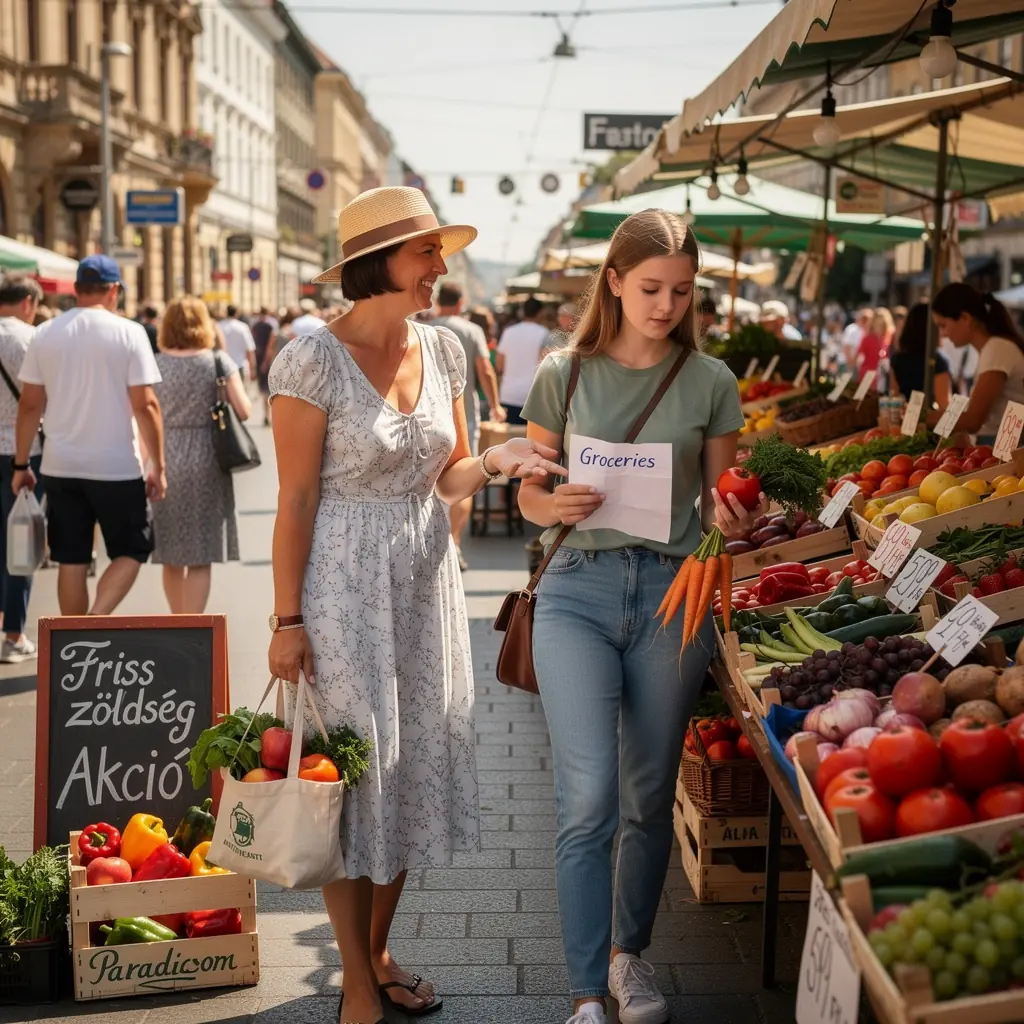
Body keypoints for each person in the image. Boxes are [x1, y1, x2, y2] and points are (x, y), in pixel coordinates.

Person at [266, 186, 565, 1024]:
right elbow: (292, 500)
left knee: (410, 772)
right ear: (379, 264)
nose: (440, 266)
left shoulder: (439, 349)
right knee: (354, 777)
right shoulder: (308, 359)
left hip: (425, 577)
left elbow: (452, 472)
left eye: (439, 252)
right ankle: (357, 983)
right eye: (425, 252)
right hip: (339, 585)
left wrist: (500, 460)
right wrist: (286, 621)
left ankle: (380, 950)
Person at [518, 209, 764, 1024]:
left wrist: (733, 520)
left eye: (682, 292)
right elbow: (526, 494)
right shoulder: (563, 372)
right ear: (614, 282)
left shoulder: (712, 381)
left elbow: (726, 504)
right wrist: (552, 497)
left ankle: (630, 959)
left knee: (649, 793)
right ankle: (587, 991)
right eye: (651, 288)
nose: (665, 305)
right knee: (586, 797)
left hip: (674, 597)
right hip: (577, 592)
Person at [12, 255, 165, 615]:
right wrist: (158, 464)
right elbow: (146, 406)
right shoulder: (129, 332)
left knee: (71, 559)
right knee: (133, 549)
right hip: (116, 467)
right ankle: (97, 618)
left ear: (77, 289)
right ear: (114, 290)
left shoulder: (45, 332)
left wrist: (22, 463)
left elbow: (30, 406)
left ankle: (73, 645)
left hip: (60, 465)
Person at [152, 297, 250, 613]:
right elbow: (244, 410)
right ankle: (192, 625)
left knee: (170, 550)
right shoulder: (217, 361)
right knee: (200, 552)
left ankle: (175, 620)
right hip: (208, 456)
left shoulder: (154, 363)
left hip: (164, 454)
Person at [427, 282, 505, 570]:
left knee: (430, 480)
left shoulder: (424, 328)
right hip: (463, 413)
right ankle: (454, 543)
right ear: (460, 303)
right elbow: (485, 369)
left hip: (428, 414)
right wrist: (495, 404)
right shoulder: (472, 330)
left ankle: (433, 541)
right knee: (463, 475)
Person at [0, 275, 43, 661]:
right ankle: (13, 634)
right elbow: (38, 402)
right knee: (20, 542)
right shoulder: (31, 339)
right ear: (28, 301)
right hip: (22, 451)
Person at [932, 283, 1024, 443]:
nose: (943, 334)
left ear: (965, 318)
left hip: (1003, 450)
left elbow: (974, 420)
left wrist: (923, 418)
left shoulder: (997, 348)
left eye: (943, 326)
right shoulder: (991, 348)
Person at [496, 296, 551, 424]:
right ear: (540, 312)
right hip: (532, 396)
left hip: (508, 394)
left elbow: (499, 364)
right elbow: (545, 364)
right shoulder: (544, 333)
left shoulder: (509, 332)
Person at [889, 302, 951, 411]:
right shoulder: (938, 360)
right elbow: (944, 405)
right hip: (929, 423)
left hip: (905, 421)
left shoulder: (897, 358)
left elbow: (895, 396)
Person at [218, 305, 257, 381]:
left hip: (222, 366)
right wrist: (253, 369)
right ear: (236, 313)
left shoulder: (219, 326)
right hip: (239, 365)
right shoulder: (242, 327)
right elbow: (250, 349)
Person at [856, 308, 894, 382]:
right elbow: (859, 356)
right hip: (868, 376)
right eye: (876, 324)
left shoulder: (891, 337)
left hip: (884, 377)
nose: (878, 328)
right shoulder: (867, 338)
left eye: (881, 325)